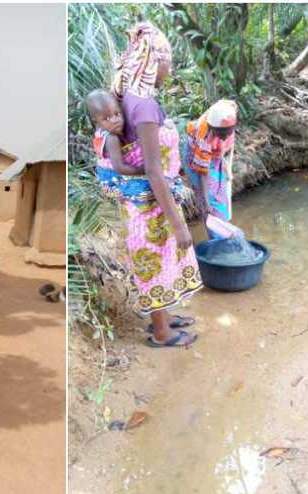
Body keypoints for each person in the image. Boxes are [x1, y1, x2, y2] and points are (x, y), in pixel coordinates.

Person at [95, 21, 202, 348]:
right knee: (155, 263)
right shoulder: (143, 106)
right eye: (167, 61)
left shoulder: (132, 97)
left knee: (163, 261)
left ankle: (165, 318)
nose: (169, 68)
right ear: (155, 61)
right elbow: (153, 170)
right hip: (149, 206)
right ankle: (161, 333)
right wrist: (179, 225)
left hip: (149, 202)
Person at [181, 99, 238, 239]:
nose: (225, 137)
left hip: (214, 157)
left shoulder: (228, 111)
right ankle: (216, 239)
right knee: (210, 203)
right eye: (221, 134)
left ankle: (223, 228)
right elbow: (203, 174)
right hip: (195, 159)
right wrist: (206, 203)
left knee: (221, 195)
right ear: (213, 129)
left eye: (228, 133)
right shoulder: (204, 137)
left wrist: (223, 164)